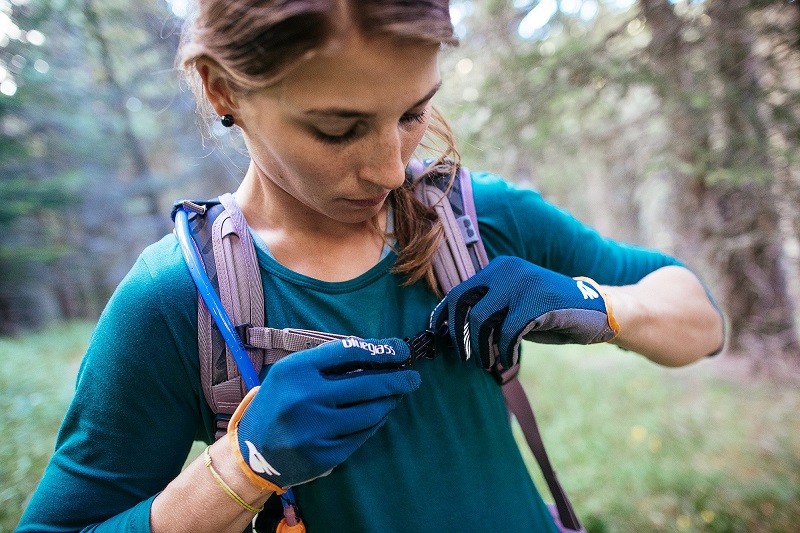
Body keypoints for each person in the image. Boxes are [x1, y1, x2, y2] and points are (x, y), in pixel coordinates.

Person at [18, 1, 724, 531]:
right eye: (339, 127)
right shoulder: (177, 299)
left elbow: (700, 322)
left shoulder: (476, 218)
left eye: (414, 113)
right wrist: (241, 468)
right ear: (222, 88)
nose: (391, 166)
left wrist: (596, 303)